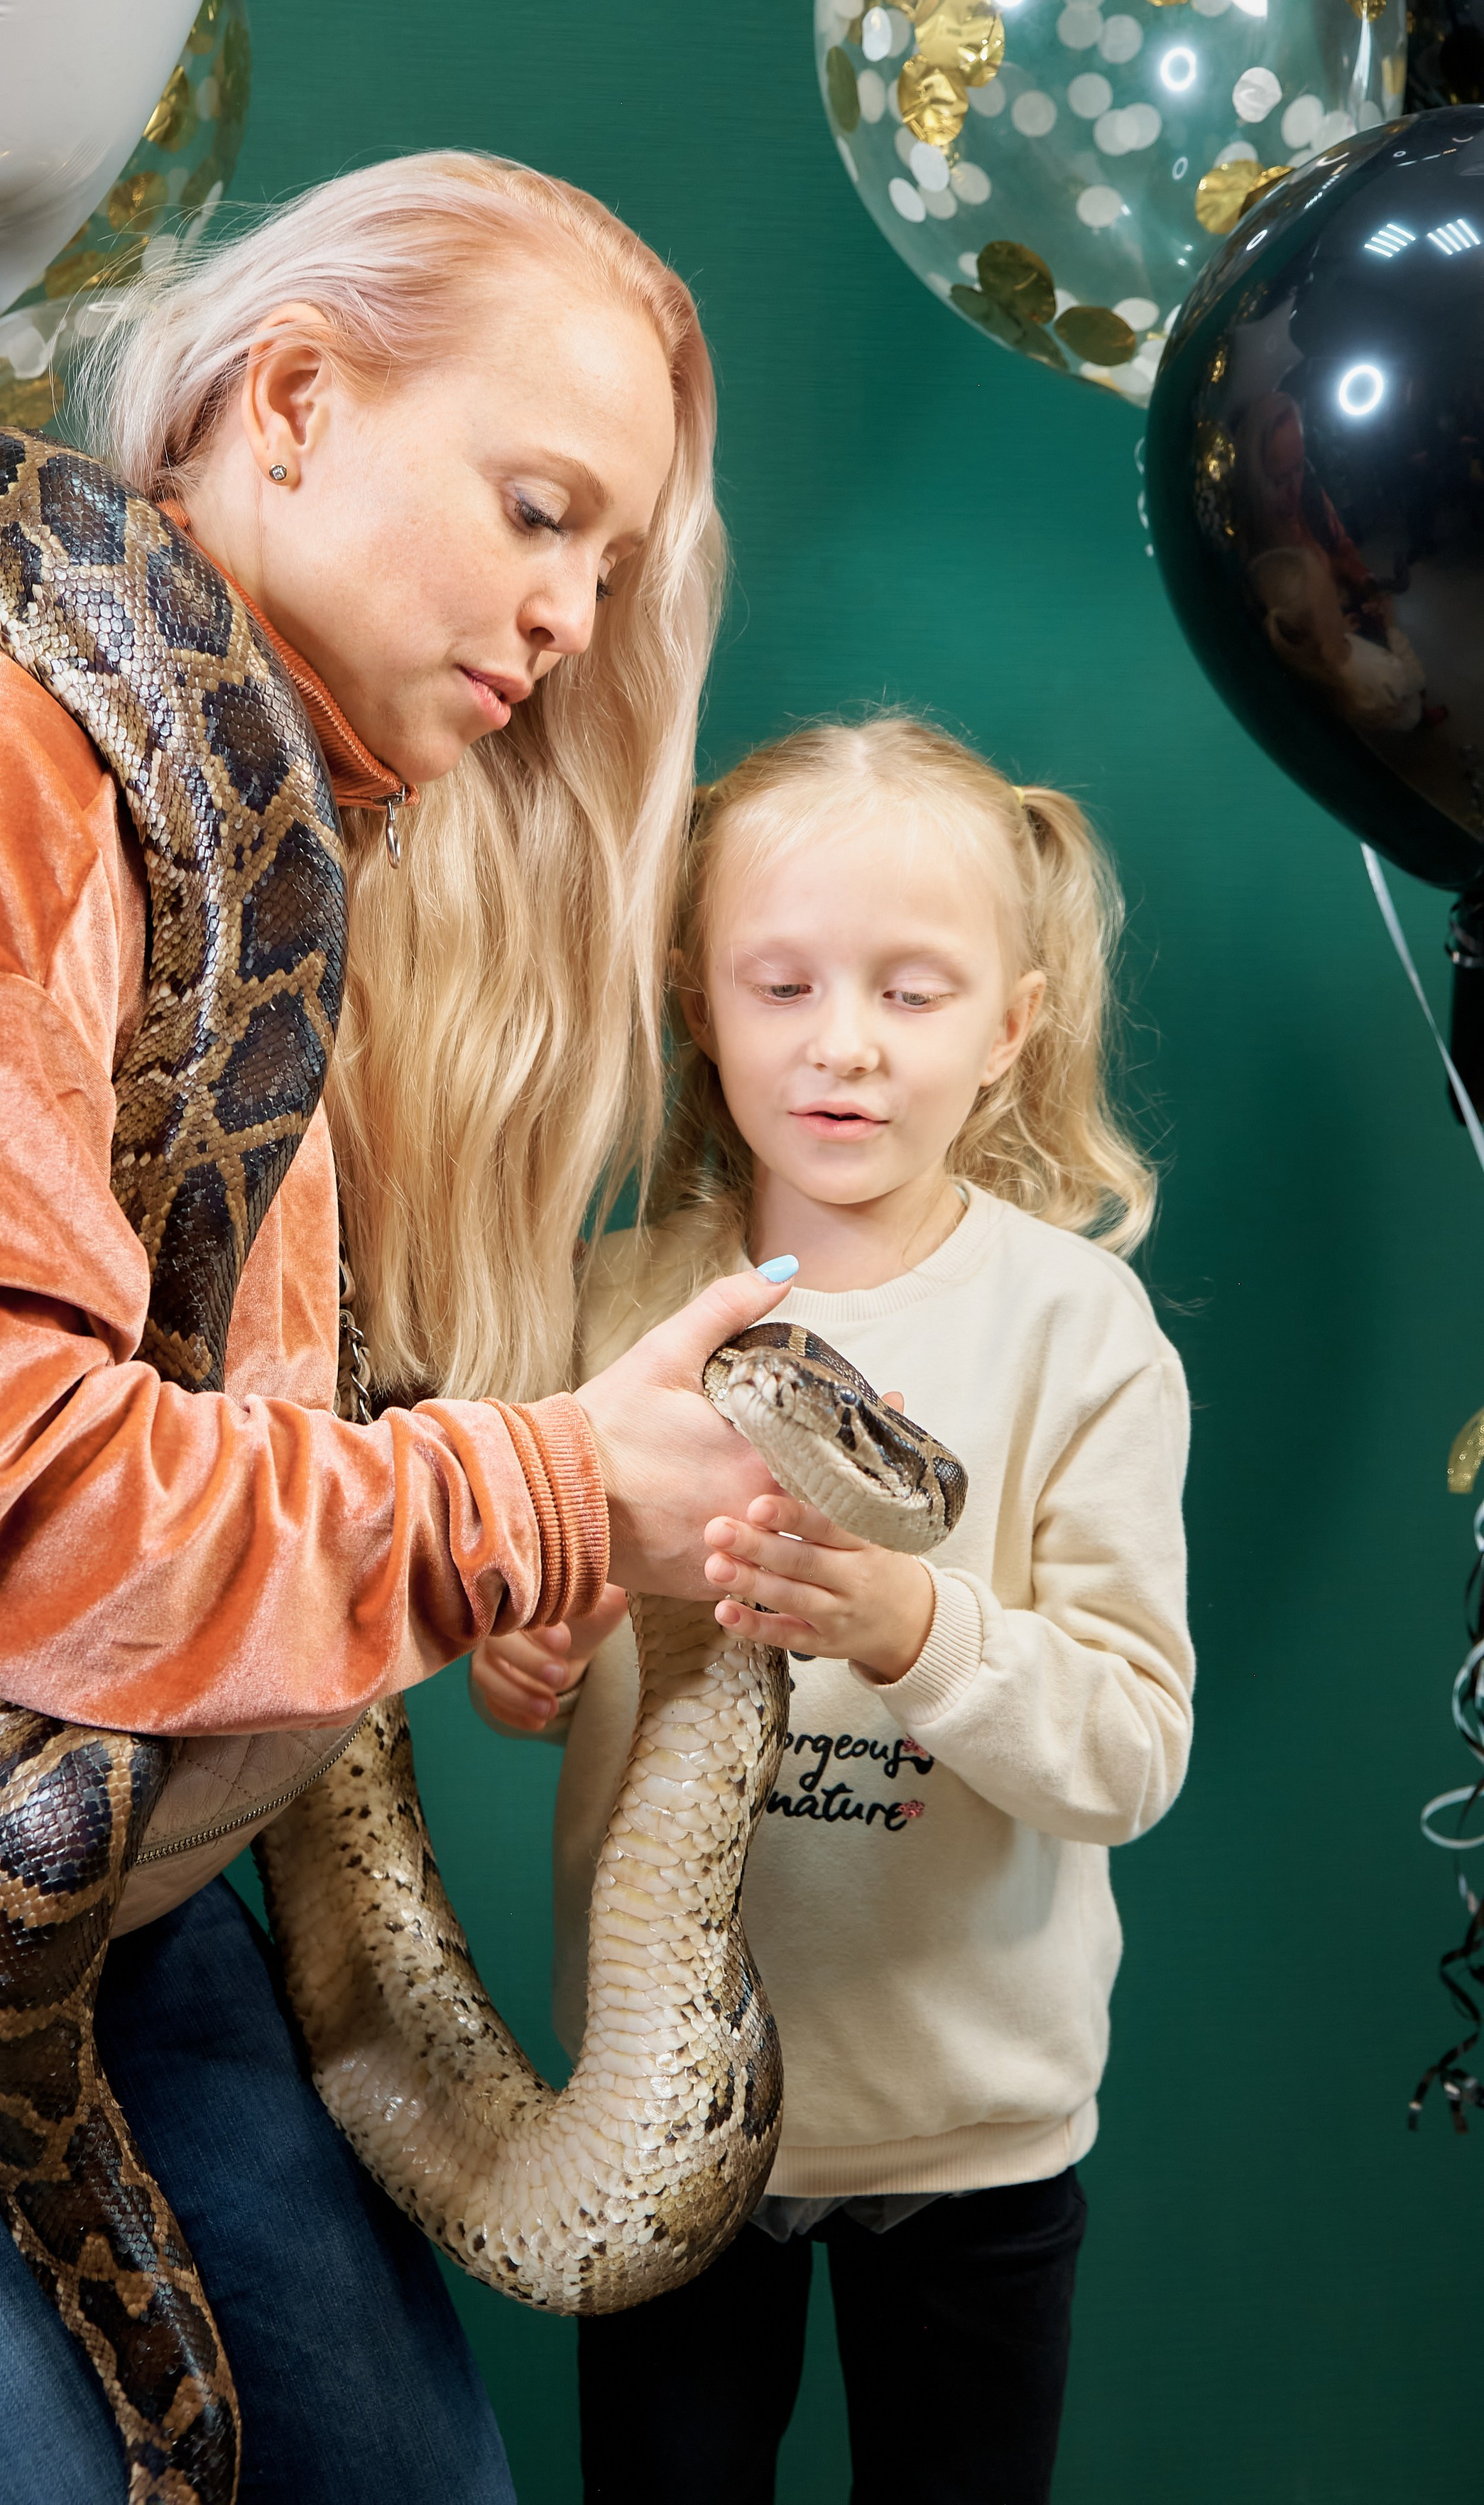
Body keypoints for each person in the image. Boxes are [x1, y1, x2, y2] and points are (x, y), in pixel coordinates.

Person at [0, 153, 797, 2505]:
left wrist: (507, 1538)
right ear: (290, 400)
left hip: (78, 1790)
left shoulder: (283, 834)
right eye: (538, 510)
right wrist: (554, 1484)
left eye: (607, 565)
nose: (574, 614)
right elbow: (12, 1504)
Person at [474, 714, 1195, 2505]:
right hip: (655, 2124)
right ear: (697, 1004)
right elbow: (535, 1688)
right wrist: (529, 1656)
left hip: (972, 2156)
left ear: (1010, 1028)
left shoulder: (1074, 1332)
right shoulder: (611, 1306)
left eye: (913, 993)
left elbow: (1124, 1756)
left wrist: (904, 1625)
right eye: (781, 984)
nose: (843, 1046)